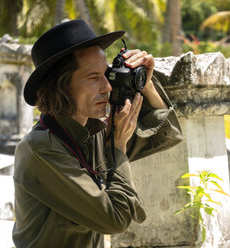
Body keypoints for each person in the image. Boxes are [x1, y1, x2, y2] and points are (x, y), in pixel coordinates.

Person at [12, 19, 183, 248]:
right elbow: (115, 220)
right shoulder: (42, 148)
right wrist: (118, 148)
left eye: (106, 74)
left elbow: (166, 135)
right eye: (93, 78)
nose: (107, 87)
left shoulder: (93, 135)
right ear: (61, 85)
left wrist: (145, 83)